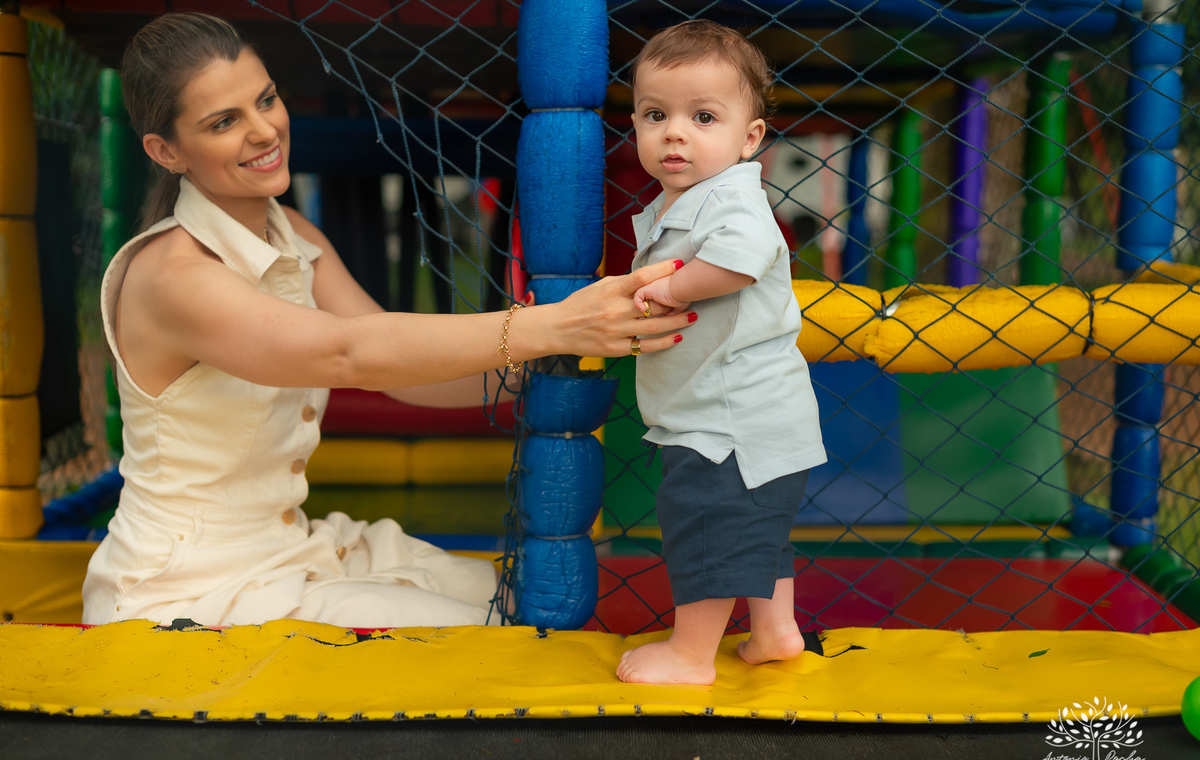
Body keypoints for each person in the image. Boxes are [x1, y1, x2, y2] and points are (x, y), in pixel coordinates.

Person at [81, 12, 694, 630]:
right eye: (224, 122)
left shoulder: (291, 234)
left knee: (514, 598)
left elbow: (402, 378)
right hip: (186, 588)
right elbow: (348, 353)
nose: (265, 130)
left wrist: (555, 354)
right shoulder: (172, 276)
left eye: (265, 99)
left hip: (287, 548)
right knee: (491, 633)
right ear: (166, 151)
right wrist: (551, 326)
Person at [616, 21, 827, 685]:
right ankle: (775, 631)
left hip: (728, 423)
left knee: (706, 528)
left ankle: (689, 655)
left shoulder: (733, 198)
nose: (674, 132)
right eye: (656, 115)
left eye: (703, 116)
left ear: (750, 138)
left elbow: (740, 260)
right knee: (756, 530)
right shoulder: (689, 197)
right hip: (752, 420)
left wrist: (672, 287)